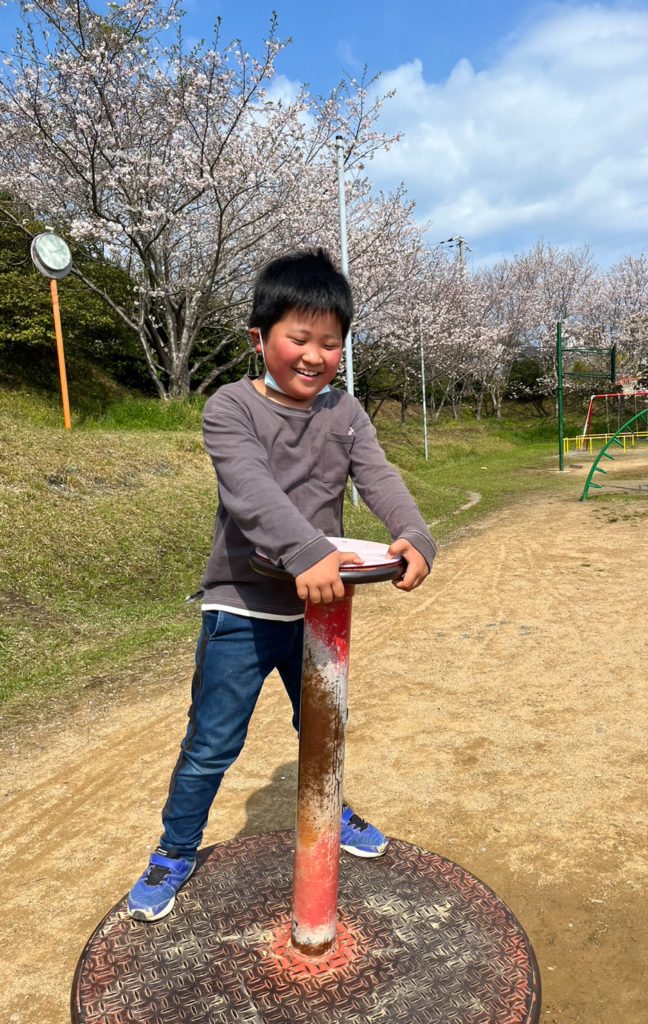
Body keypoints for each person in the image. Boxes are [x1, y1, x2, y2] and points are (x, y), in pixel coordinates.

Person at [127, 248, 436, 922]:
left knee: (323, 729)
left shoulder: (345, 413)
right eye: (299, 338)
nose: (314, 356)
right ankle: (174, 850)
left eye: (330, 342)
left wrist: (414, 531)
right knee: (212, 743)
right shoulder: (231, 407)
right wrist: (305, 549)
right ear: (259, 337)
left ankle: (330, 810)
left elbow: (378, 477)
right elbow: (251, 490)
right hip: (241, 606)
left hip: (320, 611)